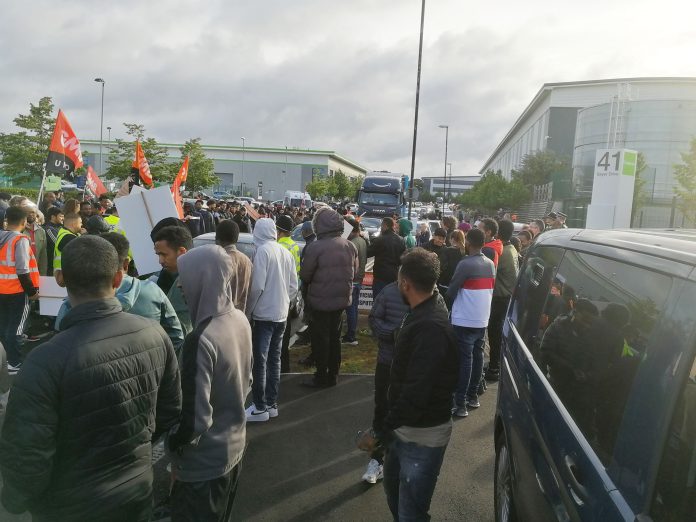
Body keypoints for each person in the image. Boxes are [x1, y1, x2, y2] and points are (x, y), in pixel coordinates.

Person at [0, 235, 181, 521]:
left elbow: (27, 454)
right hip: (136, 492)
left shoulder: (45, 360)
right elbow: (170, 413)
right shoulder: (155, 335)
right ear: (119, 277)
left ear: (60, 278)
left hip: (68, 505)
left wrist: (15, 500)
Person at [167, 244, 252, 522]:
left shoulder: (200, 339)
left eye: (186, 276)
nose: (180, 284)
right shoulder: (239, 318)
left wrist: (171, 444)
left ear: (202, 278)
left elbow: (195, 421)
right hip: (234, 449)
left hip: (202, 466)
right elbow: (248, 381)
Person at [381, 248, 458, 520]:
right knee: (395, 497)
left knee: (410, 513)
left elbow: (417, 390)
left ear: (406, 284)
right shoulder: (422, 310)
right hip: (403, 429)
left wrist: (382, 431)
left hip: (422, 436)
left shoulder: (431, 327)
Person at [55, 233, 185, 353]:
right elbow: (176, 336)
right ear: (126, 264)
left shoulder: (74, 301)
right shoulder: (153, 291)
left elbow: (60, 342)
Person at [245, 218, 298, 421]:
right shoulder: (284, 251)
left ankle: (259, 407)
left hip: (263, 314)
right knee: (274, 360)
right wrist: (285, 301)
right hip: (281, 314)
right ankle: (271, 403)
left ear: (257, 232)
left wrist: (249, 310)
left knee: (260, 361)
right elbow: (294, 286)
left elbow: (257, 286)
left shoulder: (262, 252)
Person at [300, 207, 357, 388]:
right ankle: (333, 375)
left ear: (319, 225)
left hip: (320, 301)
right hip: (340, 300)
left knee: (320, 340)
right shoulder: (350, 246)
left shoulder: (315, 247)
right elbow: (353, 272)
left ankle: (321, 376)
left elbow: (306, 276)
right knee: (335, 339)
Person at [445, 228, 496, 417]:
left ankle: (460, 403)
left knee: (465, 360)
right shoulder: (490, 264)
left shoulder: (465, 264)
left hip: (464, 318)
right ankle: (473, 396)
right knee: (477, 357)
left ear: (468, 243)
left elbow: (451, 291)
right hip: (482, 318)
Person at [363, 279, 409, 484]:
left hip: (413, 366)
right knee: (382, 409)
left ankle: (405, 461)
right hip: (387, 362)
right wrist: (389, 333)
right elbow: (374, 318)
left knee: (409, 414)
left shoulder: (431, 297)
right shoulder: (389, 291)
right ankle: (377, 460)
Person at [0, 207, 40, 374]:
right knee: (16, 328)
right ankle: (14, 363)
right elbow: (22, 270)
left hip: (1, 290)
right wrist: (31, 292)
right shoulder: (20, 240)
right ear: (24, 222)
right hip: (17, 291)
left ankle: (5, 361)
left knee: (3, 326)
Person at [484, 220, 519, 382]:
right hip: (506, 298)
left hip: (500, 298)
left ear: (496, 233)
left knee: (495, 332)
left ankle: (494, 367)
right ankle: (494, 363)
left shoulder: (502, 253)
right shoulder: (511, 249)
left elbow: (489, 276)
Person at [153, 226, 194, 337]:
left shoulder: (187, 281)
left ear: (181, 251)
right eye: (158, 255)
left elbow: (180, 331)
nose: (160, 261)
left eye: (164, 254)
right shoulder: (166, 276)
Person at [276, 215, 301, 373]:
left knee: (277, 336)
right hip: (291, 292)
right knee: (285, 334)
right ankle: (285, 366)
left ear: (279, 231)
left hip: (280, 293)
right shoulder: (294, 245)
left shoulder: (279, 246)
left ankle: (278, 367)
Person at [215, 220, 252, 313]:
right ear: (236, 238)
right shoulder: (247, 261)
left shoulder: (218, 260)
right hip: (241, 316)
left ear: (217, 238)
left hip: (221, 316)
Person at [366, 217, 405, 299]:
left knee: (378, 300)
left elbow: (368, 253)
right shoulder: (401, 240)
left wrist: (366, 240)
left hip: (380, 275)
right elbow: (403, 258)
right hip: (394, 275)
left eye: (381, 226)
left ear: (385, 226)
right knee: (391, 300)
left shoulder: (380, 240)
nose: (381, 228)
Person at [343, 217, 367, 346]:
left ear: (352, 230)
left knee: (350, 309)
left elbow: (349, 263)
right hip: (359, 279)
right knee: (354, 309)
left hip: (353, 280)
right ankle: (351, 333)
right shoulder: (362, 241)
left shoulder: (353, 243)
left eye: (347, 230)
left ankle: (351, 336)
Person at [21, 203, 48, 276]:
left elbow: (43, 254)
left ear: (36, 214)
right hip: (21, 271)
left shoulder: (41, 231)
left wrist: (43, 274)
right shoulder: (19, 230)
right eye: (27, 212)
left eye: (32, 212)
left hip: (35, 272)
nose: (30, 214)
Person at [43, 206, 64, 276]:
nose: (63, 218)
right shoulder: (49, 229)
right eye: (61, 216)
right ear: (53, 217)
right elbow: (57, 243)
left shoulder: (59, 228)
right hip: (51, 265)